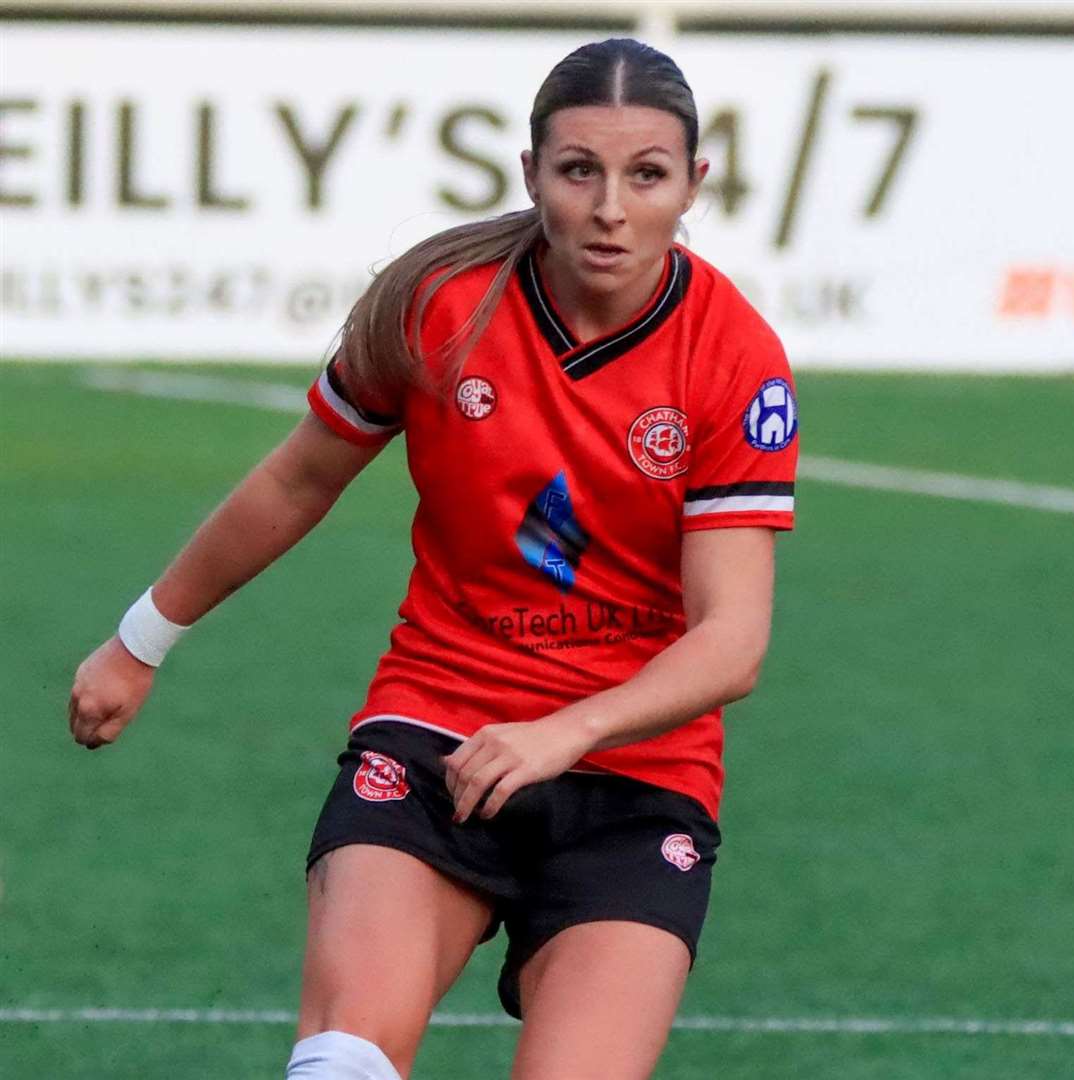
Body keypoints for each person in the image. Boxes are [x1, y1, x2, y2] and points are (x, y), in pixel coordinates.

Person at [65, 38, 798, 1080]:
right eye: (577, 170)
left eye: (647, 175)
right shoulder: (440, 304)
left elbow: (733, 641)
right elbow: (296, 480)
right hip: (435, 731)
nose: (609, 207)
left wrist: (562, 733)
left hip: (638, 772)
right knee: (341, 1063)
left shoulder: (733, 356)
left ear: (694, 184)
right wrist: (141, 640)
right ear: (531, 171)